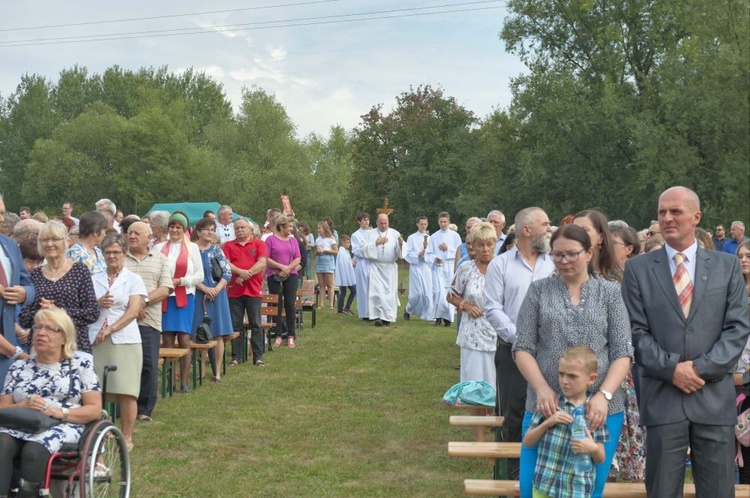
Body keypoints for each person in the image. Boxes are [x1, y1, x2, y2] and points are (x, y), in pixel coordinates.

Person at [622, 186, 749, 498]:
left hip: (714, 399)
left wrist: (700, 369)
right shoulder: (638, 269)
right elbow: (635, 333)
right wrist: (672, 370)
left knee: (718, 491)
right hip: (664, 398)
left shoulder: (726, 266)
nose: (666, 218)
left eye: (675, 211)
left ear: (696, 217)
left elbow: (737, 329)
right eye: (662, 211)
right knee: (663, 491)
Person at [513, 224, 633, 498]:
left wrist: (604, 395)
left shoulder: (611, 294)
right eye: (557, 255)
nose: (564, 261)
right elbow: (522, 347)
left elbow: (623, 351)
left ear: (589, 253)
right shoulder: (539, 291)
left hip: (598, 410)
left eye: (571, 254)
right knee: (532, 487)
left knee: (589, 488)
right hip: (545, 405)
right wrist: (542, 388)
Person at [484, 207, 555, 480]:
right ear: (527, 230)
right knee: (512, 417)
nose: (550, 228)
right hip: (512, 354)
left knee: (549, 414)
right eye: (545, 224)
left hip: (551, 354)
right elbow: (492, 308)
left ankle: (542, 481)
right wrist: (521, 338)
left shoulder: (555, 263)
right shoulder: (500, 265)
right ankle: (507, 480)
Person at [0, 307, 101, 497]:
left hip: (63, 424)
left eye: (50, 329)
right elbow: (3, 407)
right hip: (21, 422)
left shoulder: (81, 365)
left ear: (64, 337)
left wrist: (58, 412)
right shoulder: (19, 367)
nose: (41, 333)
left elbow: (94, 410)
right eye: (37, 328)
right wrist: (21, 406)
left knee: (33, 450)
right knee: (1, 443)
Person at [523, 345, 608, 498]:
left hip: (577, 491)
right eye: (561, 374)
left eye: (572, 376)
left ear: (591, 379)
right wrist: (547, 423)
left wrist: (593, 448)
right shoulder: (550, 406)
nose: (564, 381)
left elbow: (601, 457)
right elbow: (528, 442)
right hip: (545, 488)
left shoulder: (594, 413)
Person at [89, 233, 146, 451]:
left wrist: (111, 329)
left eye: (116, 252)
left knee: (126, 389)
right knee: (97, 389)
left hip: (125, 340)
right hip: (97, 339)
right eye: (107, 252)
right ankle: (101, 431)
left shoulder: (133, 279)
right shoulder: (95, 278)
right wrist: (98, 302)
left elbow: (133, 311)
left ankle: (127, 436)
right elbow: (86, 307)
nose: (112, 256)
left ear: (124, 254)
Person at [20, 221, 99, 355]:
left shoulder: (79, 271)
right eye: (44, 240)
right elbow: (24, 318)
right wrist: (43, 312)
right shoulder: (34, 275)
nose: (49, 244)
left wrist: (59, 312)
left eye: (55, 239)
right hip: (41, 348)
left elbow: (92, 312)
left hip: (74, 345)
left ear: (66, 241)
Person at [123, 221, 172, 423]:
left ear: (148, 237)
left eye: (137, 233)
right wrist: (131, 307)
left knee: (148, 365)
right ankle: (122, 407)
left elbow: (166, 288)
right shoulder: (120, 258)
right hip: (123, 321)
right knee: (124, 365)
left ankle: (144, 410)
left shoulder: (160, 259)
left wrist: (142, 302)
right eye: (129, 233)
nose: (132, 236)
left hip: (149, 320)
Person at [155, 212, 203, 393]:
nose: (175, 230)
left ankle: (183, 381)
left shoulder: (192, 248)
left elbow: (200, 275)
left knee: (184, 338)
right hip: (165, 296)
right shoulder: (159, 248)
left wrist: (180, 281)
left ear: (184, 229)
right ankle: (169, 380)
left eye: (178, 227)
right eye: (172, 226)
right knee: (167, 339)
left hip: (185, 296)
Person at [445, 222, 497, 386]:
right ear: (473, 246)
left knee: (496, 387)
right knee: (474, 387)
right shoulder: (466, 268)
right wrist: (465, 305)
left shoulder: (503, 268)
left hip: (497, 336)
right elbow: (451, 295)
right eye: (480, 245)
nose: (486, 249)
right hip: (472, 335)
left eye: (489, 244)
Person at [190, 218, 234, 379]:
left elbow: (227, 272)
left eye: (212, 229)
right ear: (198, 231)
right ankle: (200, 370)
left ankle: (217, 372)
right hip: (198, 293)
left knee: (218, 332)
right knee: (197, 332)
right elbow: (189, 274)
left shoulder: (217, 250)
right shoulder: (191, 250)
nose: (210, 232)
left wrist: (216, 289)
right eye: (206, 229)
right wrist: (204, 288)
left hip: (218, 295)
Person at [222, 219, 267, 366]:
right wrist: (241, 272)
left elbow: (262, 263)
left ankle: (258, 356)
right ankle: (236, 357)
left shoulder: (259, 244)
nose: (239, 230)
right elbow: (226, 264)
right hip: (235, 291)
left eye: (242, 227)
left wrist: (246, 275)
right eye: (237, 228)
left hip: (254, 290)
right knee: (236, 325)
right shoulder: (228, 245)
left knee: (256, 324)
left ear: (250, 229)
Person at [0, 196, 35, 383]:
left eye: (3, 213)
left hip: (7, 346)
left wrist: (24, 294)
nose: (1, 219)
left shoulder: (10, 245)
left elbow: (28, 285)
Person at [360, 213, 403, 327]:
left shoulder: (394, 233)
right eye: (381, 223)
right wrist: (376, 243)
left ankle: (387, 317)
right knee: (377, 292)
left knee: (389, 294)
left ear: (388, 222)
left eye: (386, 223)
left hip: (389, 268)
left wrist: (401, 244)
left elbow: (401, 251)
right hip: (376, 267)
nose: (384, 225)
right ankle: (379, 316)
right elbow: (363, 248)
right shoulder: (370, 234)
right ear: (377, 222)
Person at [265, 215, 301, 348]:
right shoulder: (270, 240)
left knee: (290, 304)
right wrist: (281, 267)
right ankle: (278, 334)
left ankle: (291, 335)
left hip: (291, 275)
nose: (292, 229)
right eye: (289, 226)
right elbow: (266, 258)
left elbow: (298, 258)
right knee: (277, 305)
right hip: (274, 274)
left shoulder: (293, 241)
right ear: (281, 227)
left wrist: (288, 268)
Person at [425, 212, 462, 326]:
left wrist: (448, 248)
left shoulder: (455, 236)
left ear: (449, 222)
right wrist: (435, 258)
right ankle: (438, 316)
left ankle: (448, 318)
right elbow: (428, 253)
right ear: (438, 222)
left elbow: (459, 250)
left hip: (450, 266)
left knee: (449, 291)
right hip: (439, 267)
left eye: (445, 221)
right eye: (441, 222)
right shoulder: (434, 237)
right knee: (438, 292)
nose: (443, 224)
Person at [734, 240, 750, 484]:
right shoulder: (733, 291)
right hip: (733, 375)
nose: (744, 259)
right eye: (740, 255)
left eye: (749, 255)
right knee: (742, 442)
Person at [573, 209, 620, 281]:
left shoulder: (618, 279)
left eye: (585, 230)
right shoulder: (563, 275)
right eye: (574, 230)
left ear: (601, 237)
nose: (577, 234)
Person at [403, 216, 433, 321]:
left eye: (425, 224)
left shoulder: (430, 238)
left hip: (426, 267)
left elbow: (433, 253)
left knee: (427, 293)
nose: (423, 226)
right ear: (417, 224)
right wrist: (418, 254)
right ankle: (408, 309)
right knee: (417, 294)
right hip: (416, 267)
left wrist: (427, 255)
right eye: (421, 224)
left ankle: (428, 315)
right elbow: (407, 253)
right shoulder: (412, 238)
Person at [66, 211, 107, 276]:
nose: (105, 235)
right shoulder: (75, 253)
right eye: (104, 231)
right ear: (95, 232)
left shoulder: (98, 252)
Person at [351, 212, 372, 320]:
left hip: (372, 263)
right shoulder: (355, 235)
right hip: (362, 263)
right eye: (364, 220)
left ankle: (373, 311)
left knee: (372, 288)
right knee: (363, 288)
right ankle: (364, 313)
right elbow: (356, 250)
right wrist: (367, 250)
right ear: (359, 221)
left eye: (368, 219)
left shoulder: (373, 233)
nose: (366, 222)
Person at [315, 221, 338, 311]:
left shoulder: (331, 239)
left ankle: (331, 304)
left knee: (330, 284)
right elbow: (315, 251)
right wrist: (317, 252)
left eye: (319, 228)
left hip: (328, 262)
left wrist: (325, 251)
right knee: (321, 284)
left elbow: (336, 251)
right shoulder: (318, 239)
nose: (318, 230)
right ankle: (321, 304)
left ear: (324, 229)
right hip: (319, 261)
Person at [334, 235, 356, 315]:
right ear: (342, 242)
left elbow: (347, 263)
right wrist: (351, 263)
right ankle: (340, 310)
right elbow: (344, 264)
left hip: (347, 275)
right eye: (347, 242)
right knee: (344, 292)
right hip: (344, 275)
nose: (349, 244)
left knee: (352, 291)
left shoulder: (345, 251)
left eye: (349, 242)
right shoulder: (342, 253)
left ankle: (346, 308)